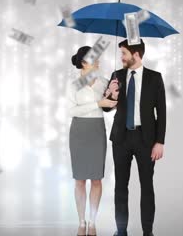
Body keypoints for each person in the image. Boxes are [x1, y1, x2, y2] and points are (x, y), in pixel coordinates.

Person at [102, 39, 167, 236]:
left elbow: (162, 112)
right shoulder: (116, 76)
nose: (121, 57)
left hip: (146, 140)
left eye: (124, 54)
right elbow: (105, 107)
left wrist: (160, 142)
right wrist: (112, 94)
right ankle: (121, 230)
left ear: (136, 55)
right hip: (121, 139)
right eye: (120, 53)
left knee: (147, 186)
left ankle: (148, 232)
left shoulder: (155, 78)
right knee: (121, 186)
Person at [67, 46, 118, 236]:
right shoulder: (73, 85)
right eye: (94, 58)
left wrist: (112, 93)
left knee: (96, 179)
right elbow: (71, 111)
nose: (99, 61)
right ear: (84, 62)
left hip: (97, 130)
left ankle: (93, 222)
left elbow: (109, 107)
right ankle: (81, 222)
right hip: (79, 131)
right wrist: (97, 103)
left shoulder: (103, 81)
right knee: (80, 179)